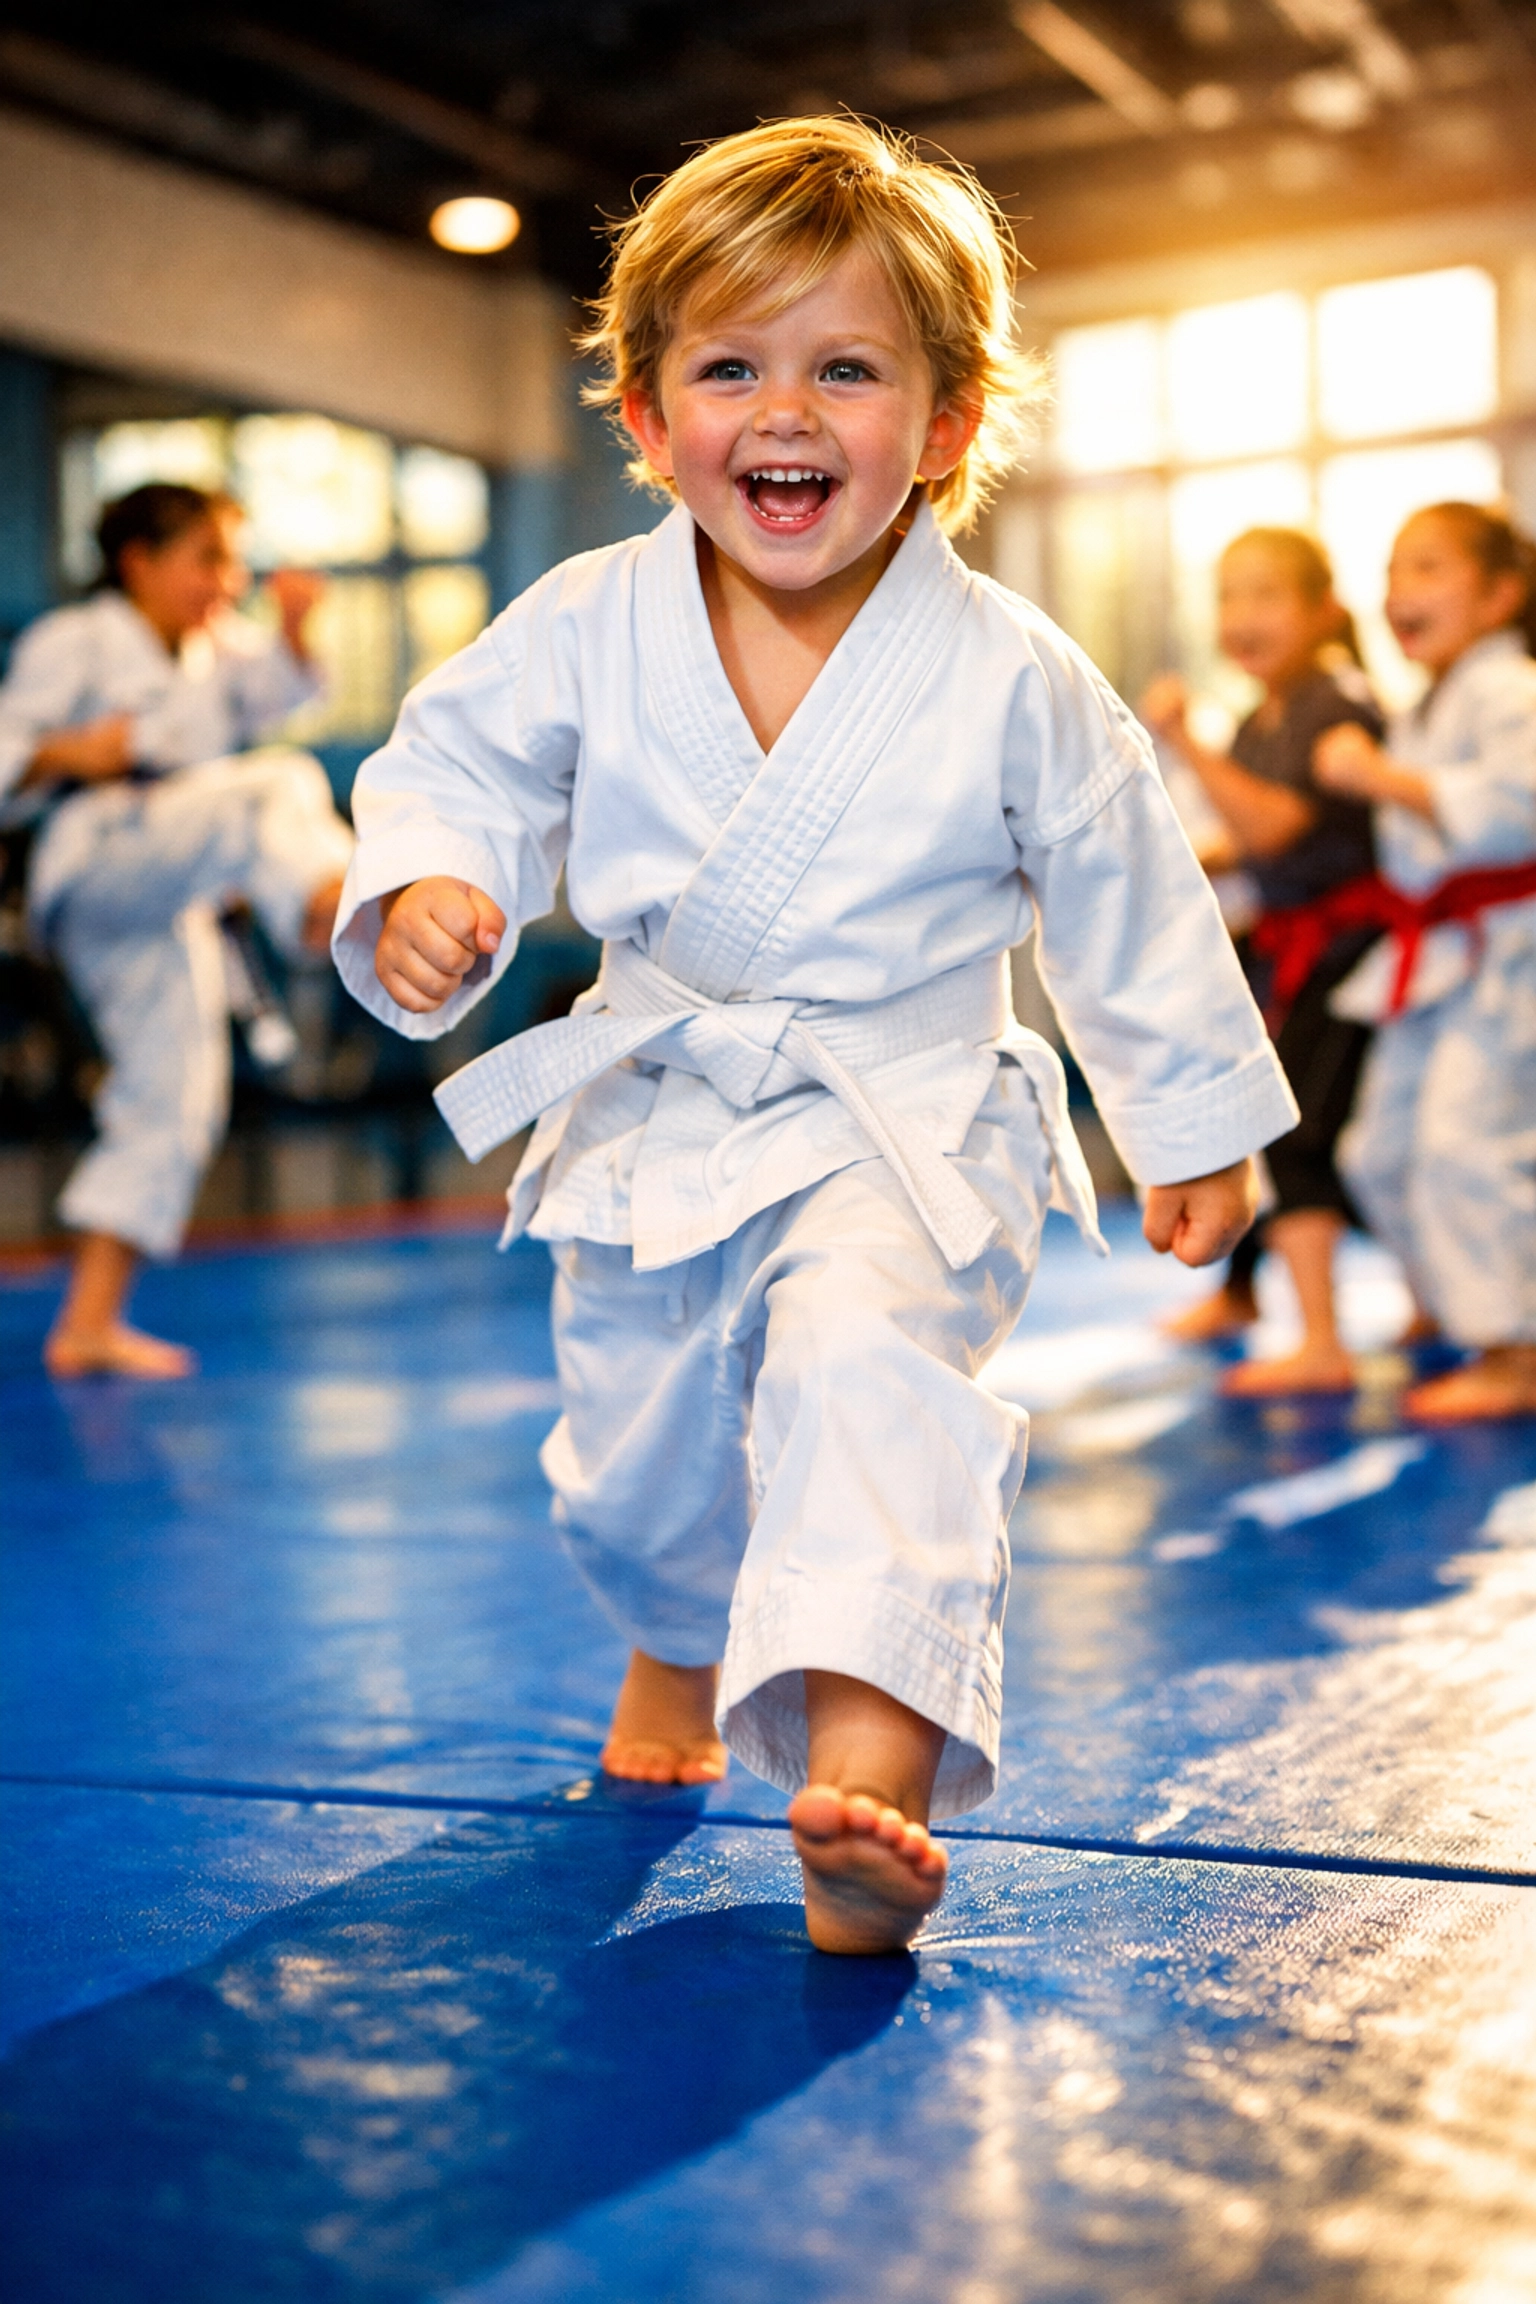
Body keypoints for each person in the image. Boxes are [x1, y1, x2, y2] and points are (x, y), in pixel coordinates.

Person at [332, 117, 1296, 1954]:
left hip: (908, 1109)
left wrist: (1185, 1115)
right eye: (731, 366)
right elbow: (448, 765)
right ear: (641, 410)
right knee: (643, 1455)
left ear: (942, 425)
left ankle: (865, 1776)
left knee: (869, 1372)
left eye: (847, 367)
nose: (786, 409)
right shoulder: (583, 622)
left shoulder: (1014, 667)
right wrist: (430, 884)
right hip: (658, 1101)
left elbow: (1128, 888)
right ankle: (671, 1647)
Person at [0, 481, 356, 1378]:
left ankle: (86, 1324)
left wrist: (295, 630)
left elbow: (285, 695)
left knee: (175, 1099)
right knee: (273, 788)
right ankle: (332, 908)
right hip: (98, 853)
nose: (225, 579)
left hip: (168, 886)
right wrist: (64, 752)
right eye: (207, 558)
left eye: (231, 561)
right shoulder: (72, 642)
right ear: (139, 562)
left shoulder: (219, 649)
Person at [1141, 530, 1384, 1393]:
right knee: (1261, 1123)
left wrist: (1185, 741)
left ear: (1324, 610)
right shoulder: (1264, 717)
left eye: (1266, 595)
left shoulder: (1336, 700)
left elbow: (1277, 826)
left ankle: (1323, 1340)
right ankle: (1243, 1294)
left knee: (1304, 1132)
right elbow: (1251, 843)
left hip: (1352, 954)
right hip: (1292, 950)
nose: (1242, 617)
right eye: (1229, 597)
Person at [1314, 502, 1536, 1422]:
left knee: (1462, 1146)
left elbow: (1518, 811)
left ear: (1500, 595)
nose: (1402, 590)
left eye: (1430, 569)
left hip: (1505, 957)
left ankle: (1514, 1348)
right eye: (1397, 571)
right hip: (1435, 956)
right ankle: (1450, 1304)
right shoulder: (1429, 704)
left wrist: (1381, 778)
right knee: (1377, 1151)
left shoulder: (1512, 687)